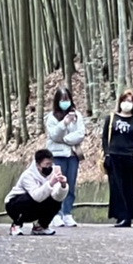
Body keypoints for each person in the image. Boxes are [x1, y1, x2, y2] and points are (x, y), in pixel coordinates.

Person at [102, 89, 133, 227]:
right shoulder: (111, 118)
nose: (127, 104)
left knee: (129, 188)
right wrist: (107, 153)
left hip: (129, 157)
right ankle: (119, 214)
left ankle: (127, 216)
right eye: (125, 100)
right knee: (116, 187)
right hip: (114, 157)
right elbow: (104, 137)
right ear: (120, 101)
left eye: (130, 101)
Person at [45, 86, 86, 227]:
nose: (65, 102)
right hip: (57, 155)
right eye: (62, 100)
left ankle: (68, 213)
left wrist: (66, 140)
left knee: (70, 184)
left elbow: (81, 134)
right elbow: (54, 135)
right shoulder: (51, 118)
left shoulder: (77, 115)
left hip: (72, 154)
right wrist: (64, 123)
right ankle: (56, 214)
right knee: (57, 185)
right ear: (57, 101)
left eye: (67, 99)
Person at [4, 149, 68, 235]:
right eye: (46, 164)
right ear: (38, 165)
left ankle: (41, 226)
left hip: (36, 207)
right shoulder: (27, 175)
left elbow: (57, 196)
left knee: (56, 202)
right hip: (14, 205)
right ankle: (16, 225)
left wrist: (63, 185)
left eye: (51, 164)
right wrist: (50, 183)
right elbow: (36, 196)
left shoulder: (53, 173)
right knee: (28, 198)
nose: (49, 167)